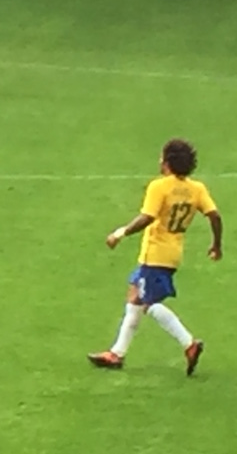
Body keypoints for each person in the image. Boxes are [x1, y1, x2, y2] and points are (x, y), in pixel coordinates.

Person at [88, 138, 221, 375]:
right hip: (172, 253)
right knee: (134, 297)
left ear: (167, 162)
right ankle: (116, 353)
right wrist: (216, 245)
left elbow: (147, 217)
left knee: (149, 304)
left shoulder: (159, 187)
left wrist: (120, 233)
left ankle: (189, 343)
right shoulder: (197, 189)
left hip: (155, 253)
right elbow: (215, 216)